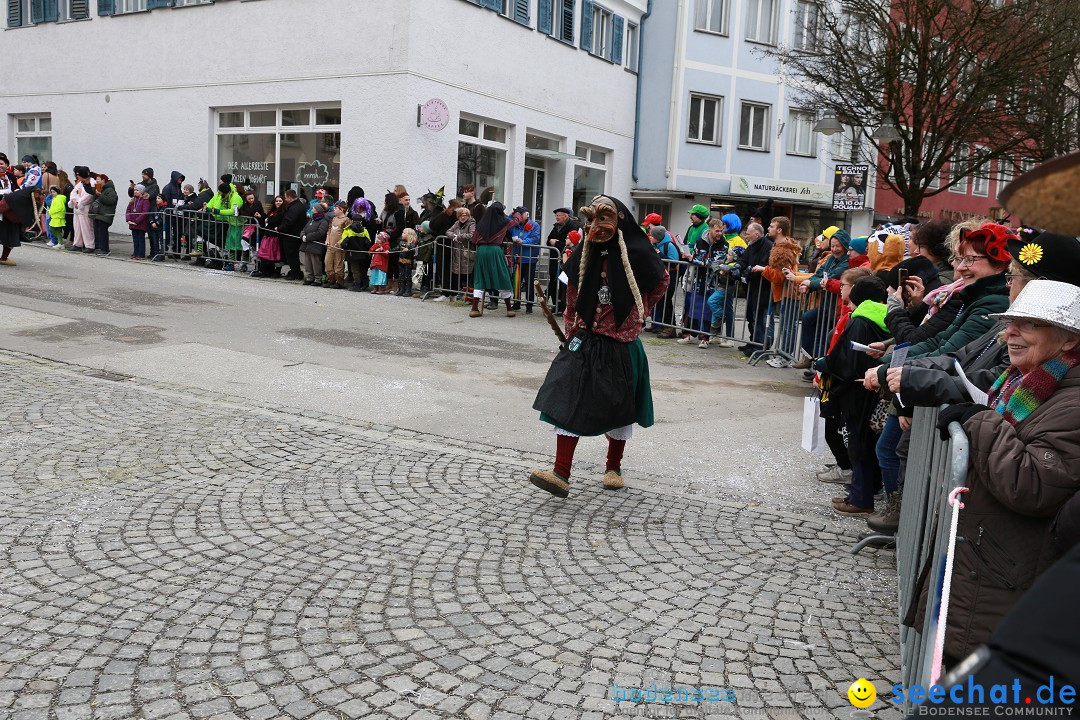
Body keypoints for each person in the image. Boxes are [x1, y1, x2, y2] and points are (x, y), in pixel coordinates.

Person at [910, 279, 1080, 666]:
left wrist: (980, 422)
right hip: (985, 572)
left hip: (1004, 582)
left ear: (1069, 340)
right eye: (1010, 322)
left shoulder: (1072, 400)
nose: (1010, 333)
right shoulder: (1024, 382)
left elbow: (1033, 486)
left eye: (1029, 324)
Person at [529, 195, 669, 498]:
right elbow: (571, 294)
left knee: (619, 408)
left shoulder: (638, 252)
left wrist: (636, 310)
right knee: (566, 398)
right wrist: (570, 332)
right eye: (590, 221)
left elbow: (660, 283)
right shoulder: (584, 253)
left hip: (621, 344)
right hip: (585, 341)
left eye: (603, 219)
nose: (596, 227)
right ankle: (560, 474)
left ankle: (613, 467)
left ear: (619, 220)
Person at [813, 276, 892, 514]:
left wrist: (824, 364)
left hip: (857, 391)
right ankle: (859, 493)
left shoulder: (859, 321)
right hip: (870, 388)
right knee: (864, 444)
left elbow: (848, 361)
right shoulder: (886, 317)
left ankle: (860, 498)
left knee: (859, 444)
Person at [790, 229, 851, 367]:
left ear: (845, 245)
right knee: (808, 318)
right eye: (833, 245)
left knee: (825, 336)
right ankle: (808, 357)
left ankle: (819, 367)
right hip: (827, 304)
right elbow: (819, 274)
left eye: (838, 246)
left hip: (838, 308)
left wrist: (810, 283)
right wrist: (809, 285)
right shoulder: (830, 258)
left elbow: (832, 277)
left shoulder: (847, 262)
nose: (834, 249)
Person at [753, 216, 801, 365]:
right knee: (786, 325)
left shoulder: (782, 251)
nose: (768, 228)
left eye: (772, 226)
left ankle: (785, 357)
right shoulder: (782, 246)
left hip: (788, 293)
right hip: (784, 293)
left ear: (779, 230)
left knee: (787, 326)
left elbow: (781, 276)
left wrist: (763, 269)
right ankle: (782, 354)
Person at [468, 201, 518, 318]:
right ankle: (509, 309)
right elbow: (515, 222)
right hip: (495, 251)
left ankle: (474, 308)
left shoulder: (481, 224)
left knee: (480, 278)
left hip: (481, 251)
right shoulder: (504, 222)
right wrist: (516, 213)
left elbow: (474, 240)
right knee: (503, 276)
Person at [731, 221, 773, 352]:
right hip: (751, 285)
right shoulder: (751, 245)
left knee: (760, 317)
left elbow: (764, 264)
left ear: (756, 234)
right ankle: (753, 340)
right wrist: (738, 266)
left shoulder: (768, 246)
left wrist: (749, 271)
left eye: (748, 234)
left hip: (762, 287)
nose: (746, 236)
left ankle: (761, 345)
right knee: (751, 314)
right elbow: (744, 259)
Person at [678, 218, 719, 347]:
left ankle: (705, 338)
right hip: (698, 280)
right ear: (710, 229)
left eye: (721, 231)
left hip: (713, 282)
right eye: (717, 231)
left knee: (707, 311)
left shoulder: (723, 244)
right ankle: (691, 334)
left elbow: (714, 263)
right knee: (694, 307)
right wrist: (693, 259)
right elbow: (697, 257)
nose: (720, 233)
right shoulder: (700, 242)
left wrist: (693, 260)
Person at [509, 206, 540, 313]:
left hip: (529, 258)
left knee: (529, 283)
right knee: (516, 281)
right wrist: (511, 215)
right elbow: (506, 225)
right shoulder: (515, 225)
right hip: (517, 258)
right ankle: (516, 303)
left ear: (526, 214)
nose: (519, 217)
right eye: (517, 214)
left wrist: (523, 241)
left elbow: (535, 239)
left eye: (520, 214)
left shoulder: (534, 225)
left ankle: (529, 305)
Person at [207, 182, 243, 270]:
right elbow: (222, 209)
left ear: (225, 192)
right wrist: (212, 210)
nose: (219, 194)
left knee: (238, 245)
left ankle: (240, 263)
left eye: (220, 192)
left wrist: (218, 212)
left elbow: (232, 211)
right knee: (230, 244)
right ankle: (230, 263)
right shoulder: (226, 197)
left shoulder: (235, 198)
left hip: (239, 224)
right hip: (232, 223)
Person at [277, 189, 308, 280]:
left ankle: (295, 273)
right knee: (293, 255)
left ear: (290, 198)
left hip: (291, 236)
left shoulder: (295, 208)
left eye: (286, 198)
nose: (285, 199)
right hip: (294, 235)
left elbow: (289, 221)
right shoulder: (299, 205)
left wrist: (280, 228)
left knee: (291, 255)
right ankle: (295, 271)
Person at [445, 207, 475, 296]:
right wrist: (454, 236)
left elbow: (471, 235)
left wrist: (459, 237)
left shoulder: (471, 223)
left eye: (465, 215)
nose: (463, 217)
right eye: (461, 215)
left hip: (467, 253)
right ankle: (461, 292)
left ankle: (468, 294)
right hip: (457, 254)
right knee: (459, 275)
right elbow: (448, 232)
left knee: (467, 275)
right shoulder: (457, 223)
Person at [299, 202, 330, 285]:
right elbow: (304, 229)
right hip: (308, 245)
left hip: (316, 245)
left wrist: (308, 237)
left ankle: (318, 278)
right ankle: (309, 277)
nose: (312, 210)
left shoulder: (323, 221)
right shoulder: (311, 220)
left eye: (313, 208)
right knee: (308, 262)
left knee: (316, 263)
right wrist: (302, 236)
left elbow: (320, 233)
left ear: (317, 210)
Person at [89, 173, 119, 257]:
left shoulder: (110, 190)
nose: (96, 181)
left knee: (103, 232)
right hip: (98, 214)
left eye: (98, 179)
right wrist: (87, 183)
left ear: (103, 180)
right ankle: (99, 247)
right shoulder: (99, 188)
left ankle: (105, 249)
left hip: (105, 214)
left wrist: (100, 195)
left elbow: (111, 201)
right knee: (97, 231)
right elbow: (90, 191)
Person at [67, 166, 96, 252]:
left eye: (78, 175)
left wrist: (79, 202)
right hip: (77, 208)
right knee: (77, 227)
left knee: (86, 227)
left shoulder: (92, 182)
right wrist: (73, 200)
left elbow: (89, 195)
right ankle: (77, 244)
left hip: (85, 208)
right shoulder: (80, 183)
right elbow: (73, 192)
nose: (77, 177)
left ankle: (90, 245)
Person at [323, 200, 350, 289]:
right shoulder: (334, 219)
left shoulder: (346, 220)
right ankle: (331, 279)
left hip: (338, 247)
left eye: (336, 208)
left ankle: (339, 281)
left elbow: (347, 234)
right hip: (330, 246)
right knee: (328, 263)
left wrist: (340, 243)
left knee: (338, 264)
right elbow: (329, 230)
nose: (334, 209)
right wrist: (327, 240)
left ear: (341, 209)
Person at [126, 185, 151, 259]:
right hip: (133, 223)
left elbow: (145, 212)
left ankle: (141, 254)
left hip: (140, 224)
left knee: (140, 239)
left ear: (141, 192)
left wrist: (136, 221)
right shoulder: (133, 200)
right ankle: (135, 252)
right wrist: (128, 219)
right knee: (135, 239)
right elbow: (128, 210)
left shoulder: (145, 200)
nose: (135, 192)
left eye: (137, 190)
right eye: (135, 190)